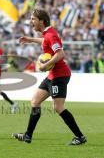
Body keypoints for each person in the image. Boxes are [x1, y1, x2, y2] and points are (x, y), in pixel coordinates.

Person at [12, 9, 87, 145]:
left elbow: (60, 54)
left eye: (33, 19)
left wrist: (45, 64)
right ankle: (28, 136)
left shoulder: (51, 34)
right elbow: (45, 40)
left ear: (42, 21)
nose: (31, 22)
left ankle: (80, 137)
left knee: (58, 108)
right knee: (35, 101)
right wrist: (30, 39)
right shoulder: (47, 34)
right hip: (52, 75)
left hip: (60, 75)